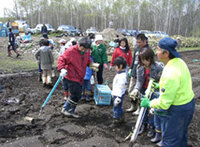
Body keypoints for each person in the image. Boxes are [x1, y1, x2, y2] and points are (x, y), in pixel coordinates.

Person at [140, 37, 195, 147]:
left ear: (166, 53)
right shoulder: (179, 62)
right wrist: (160, 85)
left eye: (159, 49)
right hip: (188, 104)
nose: (157, 52)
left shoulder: (170, 73)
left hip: (177, 110)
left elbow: (164, 104)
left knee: (170, 142)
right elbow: (177, 83)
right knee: (181, 137)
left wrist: (149, 103)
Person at [58, 37, 96, 118]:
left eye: (86, 49)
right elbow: (61, 59)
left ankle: (71, 111)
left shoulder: (87, 51)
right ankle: (65, 109)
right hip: (71, 76)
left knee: (78, 95)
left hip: (80, 76)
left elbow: (87, 60)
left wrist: (93, 65)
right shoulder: (70, 51)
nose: (84, 50)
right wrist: (62, 69)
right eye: (83, 48)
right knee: (75, 94)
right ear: (79, 45)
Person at [129, 47, 163, 136]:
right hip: (144, 90)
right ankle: (143, 125)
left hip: (154, 91)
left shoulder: (158, 67)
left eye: (146, 59)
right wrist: (136, 90)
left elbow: (163, 79)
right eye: (142, 60)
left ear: (151, 58)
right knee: (143, 109)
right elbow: (139, 81)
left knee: (152, 110)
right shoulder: (140, 68)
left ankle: (152, 127)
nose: (145, 62)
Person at [126, 33, 148, 113]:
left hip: (142, 75)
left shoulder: (147, 50)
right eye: (137, 42)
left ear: (144, 41)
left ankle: (139, 108)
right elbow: (133, 60)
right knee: (131, 90)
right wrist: (131, 69)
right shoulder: (137, 49)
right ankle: (133, 105)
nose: (138, 44)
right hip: (134, 72)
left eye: (140, 42)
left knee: (139, 92)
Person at [111, 56, 127, 127]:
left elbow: (121, 87)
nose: (115, 67)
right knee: (118, 107)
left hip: (118, 95)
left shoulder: (122, 76)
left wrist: (118, 97)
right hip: (116, 93)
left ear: (120, 66)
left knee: (116, 108)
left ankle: (116, 120)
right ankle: (121, 117)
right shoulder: (120, 74)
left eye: (116, 66)